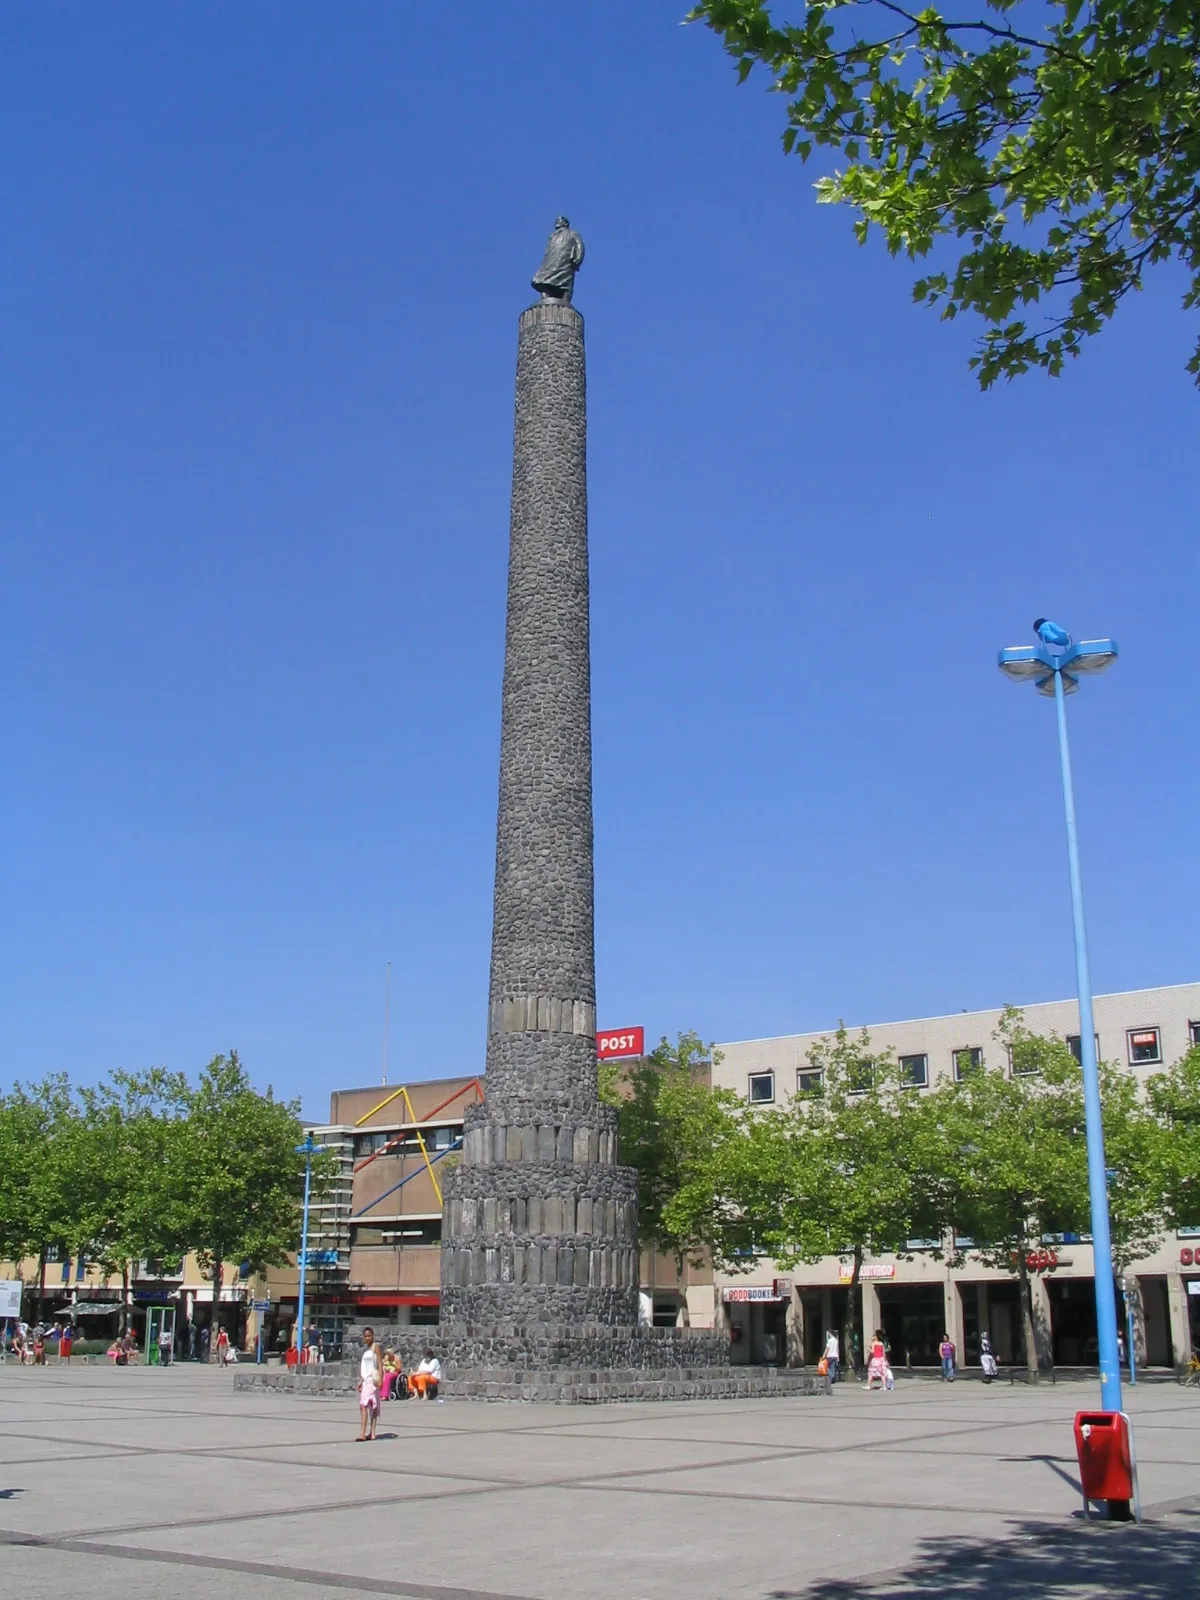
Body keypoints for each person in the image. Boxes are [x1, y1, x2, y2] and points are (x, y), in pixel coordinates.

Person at [358, 1327, 381, 1441]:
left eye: (369, 1336)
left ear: (373, 1336)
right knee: (372, 1405)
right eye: (365, 1336)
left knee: (364, 1405)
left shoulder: (375, 1347)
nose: (367, 1338)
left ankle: (363, 1433)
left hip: (373, 1380)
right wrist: (361, 1381)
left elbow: (380, 1364)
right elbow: (365, 1367)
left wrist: (381, 1379)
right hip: (366, 1380)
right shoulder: (366, 1350)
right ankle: (372, 1433)